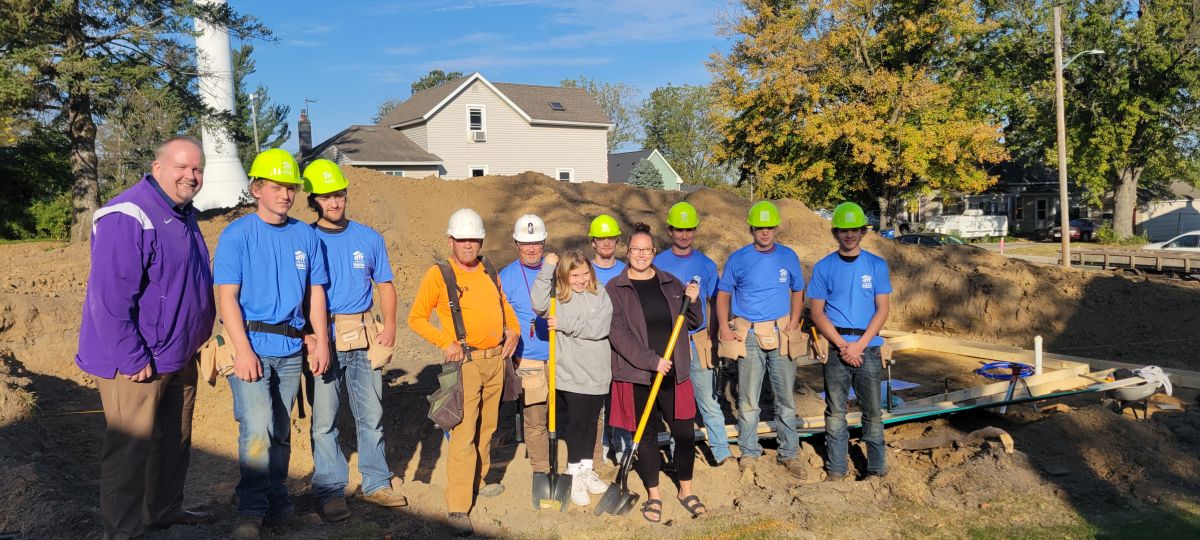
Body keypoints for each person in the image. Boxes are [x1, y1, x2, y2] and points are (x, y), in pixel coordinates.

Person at [76, 135, 216, 540]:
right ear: (157, 169)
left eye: (197, 169)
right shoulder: (129, 214)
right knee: (130, 451)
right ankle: (123, 532)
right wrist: (133, 357)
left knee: (174, 440)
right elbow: (109, 297)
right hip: (137, 362)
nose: (191, 176)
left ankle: (163, 511)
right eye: (182, 167)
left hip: (179, 353)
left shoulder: (183, 213)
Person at [214, 148, 332, 540]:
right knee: (257, 428)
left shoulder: (304, 235)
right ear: (257, 189)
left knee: (281, 429)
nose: (286, 194)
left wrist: (320, 340)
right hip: (251, 345)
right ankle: (250, 510)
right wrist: (243, 350)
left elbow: (316, 292)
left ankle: (278, 503)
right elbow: (226, 296)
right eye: (277, 186)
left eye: (291, 188)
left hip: (290, 349)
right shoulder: (238, 235)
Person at [303, 159, 407, 522]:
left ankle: (376, 482)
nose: (335, 201)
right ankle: (331, 490)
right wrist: (310, 337)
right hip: (324, 336)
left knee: (372, 414)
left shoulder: (369, 237)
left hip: (364, 335)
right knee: (325, 419)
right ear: (314, 199)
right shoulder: (304, 238)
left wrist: (390, 325)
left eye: (340, 194)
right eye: (327, 196)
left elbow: (385, 285)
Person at [407, 208, 520, 537]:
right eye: (463, 239)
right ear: (451, 240)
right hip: (466, 364)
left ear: (481, 240)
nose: (469, 245)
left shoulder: (489, 267)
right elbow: (416, 317)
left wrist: (512, 331)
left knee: (489, 427)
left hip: (496, 361)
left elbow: (504, 306)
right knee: (463, 432)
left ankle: (479, 480)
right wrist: (446, 342)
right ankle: (458, 505)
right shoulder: (439, 274)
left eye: (474, 239)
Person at [607, 223, 705, 523]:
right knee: (646, 436)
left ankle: (685, 489)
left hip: (674, 374)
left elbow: (695, 321)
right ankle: (654, 494)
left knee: (684, 434)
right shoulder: (616, 288)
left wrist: (694, 299)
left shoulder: (671, 282)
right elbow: (619, 335)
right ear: (627, 252)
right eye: (635, 249)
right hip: (639, 375)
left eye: (646, 250)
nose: (641, 254)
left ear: (653, 252)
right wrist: (652, 361)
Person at [715, 201, 808, 479]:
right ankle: (749, 451)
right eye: (759, 228)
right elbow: (723, 295)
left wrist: (793, 321)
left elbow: (798, 289)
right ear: (751, 229)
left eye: (769, 227)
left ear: (775, 228)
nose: (765, 233)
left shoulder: (788, 257)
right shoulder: (738, 259)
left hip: (781, 334)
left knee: (785, 399)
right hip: (750, 335)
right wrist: (723, 326)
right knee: (747, 400)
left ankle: (789, 453)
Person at [809, 202, 892, 481]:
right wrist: (844, 346)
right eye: (843, 230)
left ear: (862, 232)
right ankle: (836, 469)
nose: (849, 235)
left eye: (854, 230)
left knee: (872, 411)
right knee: (835, 412)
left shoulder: (876, 266)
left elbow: (882, 309)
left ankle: (876, 468)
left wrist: (858, 345)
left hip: (867, 346)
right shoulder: (824, 268)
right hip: (836, 348)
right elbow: (817, 313)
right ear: (836, 233)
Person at [530, 250, 613, 507]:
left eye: (585, 273)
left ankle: (586, 469)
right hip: (571, 372)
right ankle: (573, 472)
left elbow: (601, 327)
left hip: (598, 371)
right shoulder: (558, 297)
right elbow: (538, 304)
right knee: (577, 425)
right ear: (564, 276)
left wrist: (566, 323)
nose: (581, 280)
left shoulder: (600, 294)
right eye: (574, 275)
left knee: (591, 423)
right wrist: (547, 269)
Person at [652, 202, 730, 466]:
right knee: (676, 404)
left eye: (689, 230)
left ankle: (721, 452)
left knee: (706, 399)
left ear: (695, 230)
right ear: (670, 230)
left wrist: (713, 335)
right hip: (669, 342)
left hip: (697, 340)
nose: (684, 235)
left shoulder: (706, 265)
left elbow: (713, 302)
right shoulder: (658, 263)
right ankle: (678, 455)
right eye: (679, 230)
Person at [498, 215, 551, 479]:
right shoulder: (505, 278)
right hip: (528, 359)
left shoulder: (557, 272)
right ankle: (542, 470)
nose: (531, 249)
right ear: (516, 244)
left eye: (537, 243)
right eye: (525, 243)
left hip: (560, 357)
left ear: (544, 242)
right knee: (535, 418)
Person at [588, 214, 628, 462]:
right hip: (593, 347)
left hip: (621, 347)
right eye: (601, 238)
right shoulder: (584, 272)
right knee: (597, 402)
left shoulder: (627, 270)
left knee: (621, 398)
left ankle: (621, 445)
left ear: (616, 241)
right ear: (593, 242)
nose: (606, 243)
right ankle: (600, 447)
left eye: (610, 238)